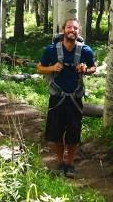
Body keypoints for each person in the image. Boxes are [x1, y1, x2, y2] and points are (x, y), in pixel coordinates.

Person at [36, 18, 96, 178]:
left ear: (79, 32)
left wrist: (85, 70)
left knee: (73, 134)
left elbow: (93, 68)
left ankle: (70, 164)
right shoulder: (51, 50)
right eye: (69, 27)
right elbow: (40, 68)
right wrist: (51, 67)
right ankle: (60, 162)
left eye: (75, 28)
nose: (72, 30)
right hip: (57, 99)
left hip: (75, 100)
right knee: (55, 133)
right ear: (63, 31)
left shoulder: (85, 51)